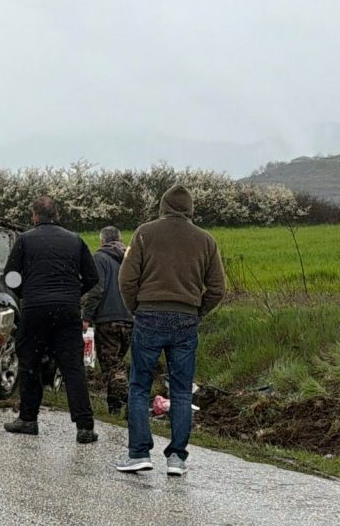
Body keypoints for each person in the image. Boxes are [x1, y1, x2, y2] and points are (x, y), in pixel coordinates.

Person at [115, 185, 225, 476]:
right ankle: (177, 458)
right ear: (190, 210)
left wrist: (135, 308)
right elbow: (217, 289)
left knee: (139, 386)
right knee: (180, 390)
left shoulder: (144, 233)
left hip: (148, 315)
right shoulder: (206, 240)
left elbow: (126, 279)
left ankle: (139, 452)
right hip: (185, 320)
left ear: (163, 206)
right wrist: (197, 311)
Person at [3, 196, 100, 444]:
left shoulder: (25, 239)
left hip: (35, 309)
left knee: (29, 364)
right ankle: (85, 426)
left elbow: (11, 276)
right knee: (73, 368)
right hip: (67, 310)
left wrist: (26, 295)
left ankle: (28, 420)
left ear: (35, 216)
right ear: (57, 215)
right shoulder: (75, 240)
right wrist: (72, 294)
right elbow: (92, 277)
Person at [81, 226, 133, 416]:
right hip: (129, 319)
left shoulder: (100, 258)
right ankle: (114, 408)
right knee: (117, 362)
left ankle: (132, 400)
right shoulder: (131, 259)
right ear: (120, 239)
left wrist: (86, 316)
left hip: (107, 319)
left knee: (112, 367)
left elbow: (97, 289)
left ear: (103, 241)